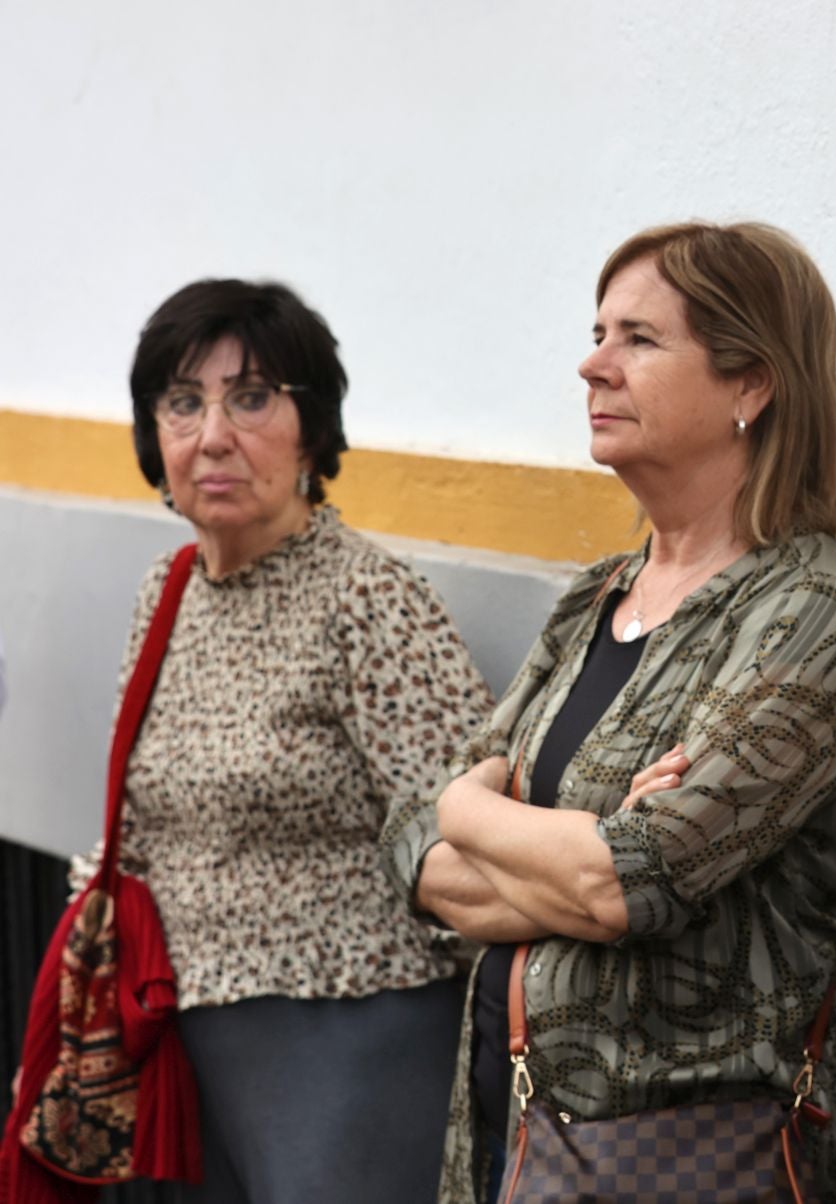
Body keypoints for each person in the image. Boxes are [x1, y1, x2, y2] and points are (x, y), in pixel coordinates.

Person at [382, 221, 836, 1204]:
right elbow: (413, 846)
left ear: (751, 383)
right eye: (598, 332)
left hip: (692, 1155)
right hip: (511, 1125)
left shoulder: (817, 614)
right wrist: (567, 845)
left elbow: (632, 879)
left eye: (639, 339)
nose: (592, 365)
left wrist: (475, 813)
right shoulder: (597, 597)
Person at [70, 279, 495, 1202]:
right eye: (183, 402)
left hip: (349, 1045)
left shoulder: (368, 599)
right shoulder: (168, 589)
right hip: (178, 1042)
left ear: (311, 430)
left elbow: (471, 840)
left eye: (252, 398)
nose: (213, 434)